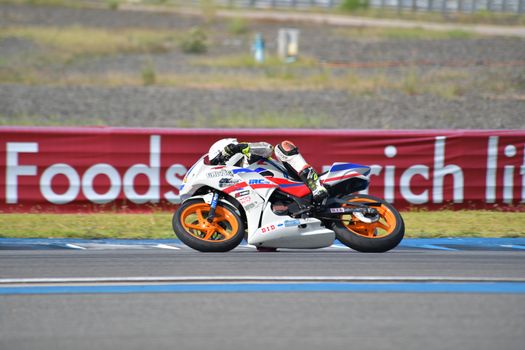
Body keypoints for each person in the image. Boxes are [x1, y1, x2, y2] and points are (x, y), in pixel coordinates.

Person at [209, 138, 328, 203]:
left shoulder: (249, 156)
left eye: (219, 160)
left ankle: (315, 186)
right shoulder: (232, 178)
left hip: (292, 181)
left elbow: (268, 148)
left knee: (282, 147)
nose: (219, 164)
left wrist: (239, 148)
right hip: (276, 199)